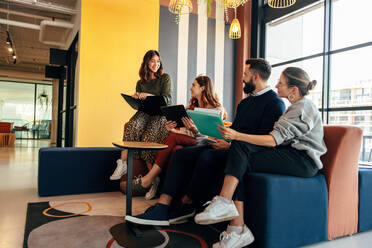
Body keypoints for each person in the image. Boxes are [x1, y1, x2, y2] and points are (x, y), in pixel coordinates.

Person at [124, 58, 286, 227]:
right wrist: (217, 138)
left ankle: (187, 204)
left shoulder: (275, 103)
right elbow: (231, 132)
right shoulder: (244, 103)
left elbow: (265, 140)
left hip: (243, 153)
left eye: (245, 74)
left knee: (207, 157)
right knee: (181, 153)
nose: (242, 78)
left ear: (256, 77)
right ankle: (162, 206)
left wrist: (229, 145)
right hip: (227, 145)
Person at [194, 67, 327, 248]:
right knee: (238, 157)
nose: (277, 85)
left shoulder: (303, 108)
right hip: (288, 153)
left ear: (293, 90)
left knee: (240, 150)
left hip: (303, 161)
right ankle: (237, 228)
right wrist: (237, 139)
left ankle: (228, 210)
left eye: (281, 83)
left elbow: (273, 140)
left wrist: (237, 136)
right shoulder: (295, 107)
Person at [132, 75, 226, 200]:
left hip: (206, 142)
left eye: (194, 85)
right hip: (192, 139)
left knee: (174, 138)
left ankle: (150, 178)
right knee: (176, 146)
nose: (190, 88)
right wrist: (172, 128)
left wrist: (195, 130)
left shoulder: (217, 109)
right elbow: (185, 131)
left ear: (203, 88)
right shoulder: (191, 109)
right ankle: (168, 190)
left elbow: (215, 135)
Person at [110, 50, 171, 180]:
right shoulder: (140, 82)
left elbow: (167, 100)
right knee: (131, 126)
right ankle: (122, 164)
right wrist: (136, 97)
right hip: (145, 112)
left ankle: (152, 179)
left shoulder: (165, 78)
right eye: (153, 61)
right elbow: (139, 104)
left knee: (148, 137)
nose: (156, 64)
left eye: (158, 61)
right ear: (147, 63)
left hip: (160, 113)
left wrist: (148, 95)